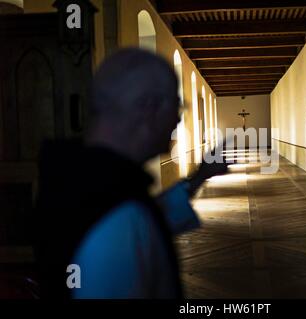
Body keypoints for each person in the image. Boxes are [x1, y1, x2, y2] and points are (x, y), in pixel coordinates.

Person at [33, 48, 228, 299]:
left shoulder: (84, 180)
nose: (178, 120)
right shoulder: (112, 209)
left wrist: (199, 176)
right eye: (177, 106)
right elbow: (134, 225)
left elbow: (148, 219)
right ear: (148, 107)